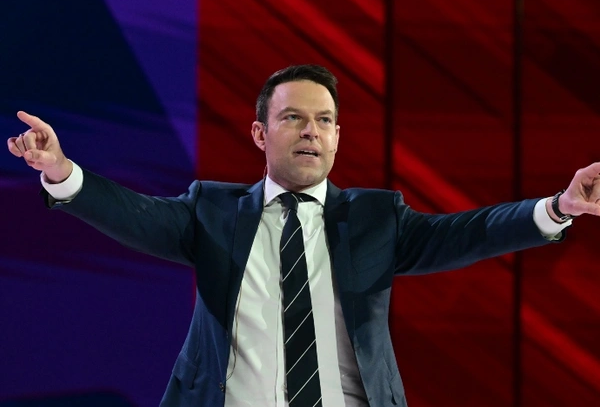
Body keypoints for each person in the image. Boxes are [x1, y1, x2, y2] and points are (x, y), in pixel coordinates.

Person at [7, 64, 600, 407]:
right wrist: (62, 171)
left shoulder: (376, 218)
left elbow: (467, 233)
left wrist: (558, 207)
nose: (311, 131)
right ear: (260, 133)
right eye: (293, 117)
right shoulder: (212, 210)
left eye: (324, 120)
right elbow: (134, 214)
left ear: (338, 136)